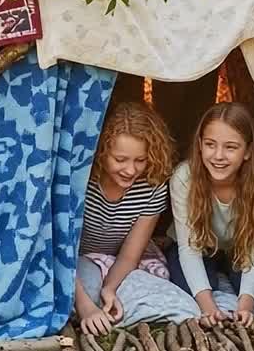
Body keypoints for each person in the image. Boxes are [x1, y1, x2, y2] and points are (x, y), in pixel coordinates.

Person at [165, 102, 254, 328]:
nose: (218, 156)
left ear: (247, 151)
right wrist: (209, 308)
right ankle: (214, 280)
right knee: (189, 287)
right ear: (199, 145)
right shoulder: (184, 177)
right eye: (210, 145)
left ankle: (228, 275)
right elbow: (189, 248)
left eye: (231, 147)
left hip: (239, 247)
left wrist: (245, 307)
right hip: (197, 246)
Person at [74, 102, 179, 336]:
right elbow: (56, 248)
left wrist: (110, 289)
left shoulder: (153, 185)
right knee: (86, 293)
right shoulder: (80, 179)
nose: (130, 170)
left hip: (120, 261)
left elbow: (130, 255)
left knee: (172, 302)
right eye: (120, 160)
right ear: (101, 151)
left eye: (139, 160)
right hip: (72, 262)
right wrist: (85, 306)